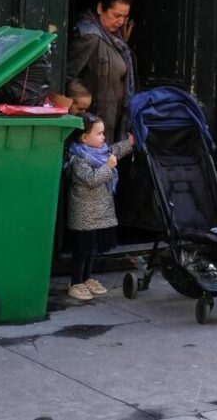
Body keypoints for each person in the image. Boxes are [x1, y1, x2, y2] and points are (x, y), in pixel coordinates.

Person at [64, 113, 133, 301]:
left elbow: (114, 150)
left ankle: (87, 278)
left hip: (99, 214)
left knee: (91, 250)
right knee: (81, 250)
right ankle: (75, 282)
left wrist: (129, 142)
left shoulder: (102, 151)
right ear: (84, 137)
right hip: (84, 215)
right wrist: (108, 167)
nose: (103, 138)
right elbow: (92, 180)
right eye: (99, 134)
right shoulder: (79, 159)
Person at [64, 0, 138, 144]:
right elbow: (67, 75)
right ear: (100, 8)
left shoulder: (114, 38)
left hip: (109, 122)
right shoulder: (89, 36)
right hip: (92, 127)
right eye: (116, 15)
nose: (121, 21)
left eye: (124, 17)